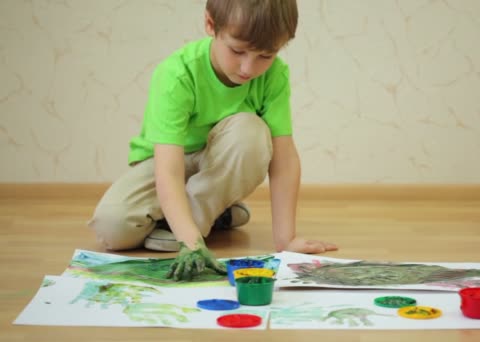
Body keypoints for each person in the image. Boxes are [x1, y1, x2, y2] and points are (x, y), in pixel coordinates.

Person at [88, 0, 338, 281]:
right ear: (210, 24)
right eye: (237, 51)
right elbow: (168, 171)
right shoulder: (177, 74)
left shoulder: (274, 76)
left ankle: (187, 220)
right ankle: (218, 213)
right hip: (168, 163)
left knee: (251, 131)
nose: (248, 68)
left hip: (217, 161)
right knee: (112, 229)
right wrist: (193, 244)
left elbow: (284, 159)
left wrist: (286, 240)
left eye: (265, 56)